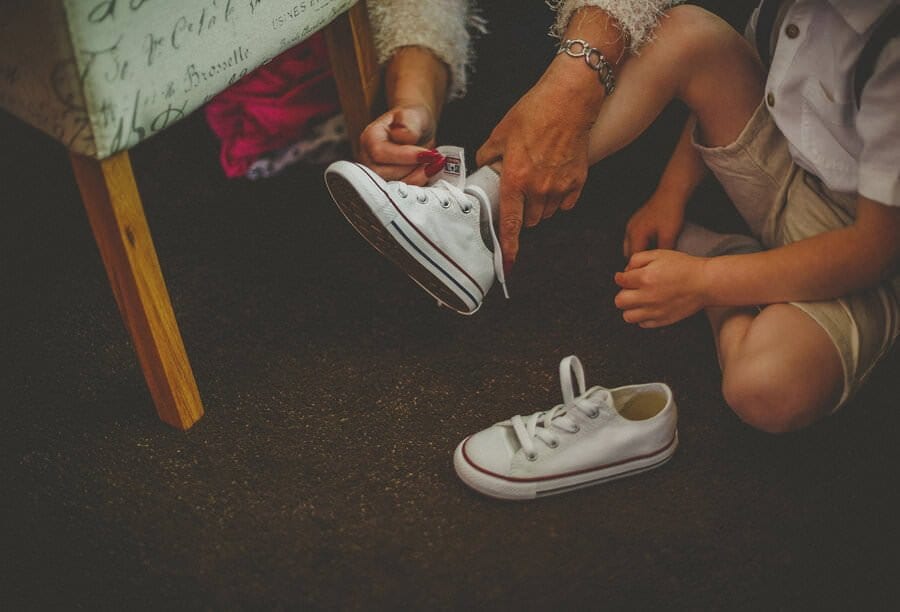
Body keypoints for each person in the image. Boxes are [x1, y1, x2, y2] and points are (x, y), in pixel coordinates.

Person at [330, 0, 900, 436]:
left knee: (767, 390)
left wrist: (707, 283)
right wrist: (670, 194)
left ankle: (733, 260)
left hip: (870, 254)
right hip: (800, 181)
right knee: (688, 32)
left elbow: (873, 250)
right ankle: (478, 205)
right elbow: (741, 78)